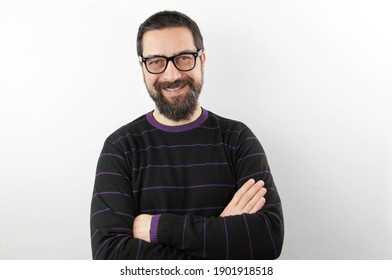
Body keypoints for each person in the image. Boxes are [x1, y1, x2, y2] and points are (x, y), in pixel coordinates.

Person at [90, 10, 284, 260]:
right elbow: (109, 256)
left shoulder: (238, 140)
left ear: (202, 60)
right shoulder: (120, 148)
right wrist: (220, 236)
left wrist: (157, 228)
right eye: (156, 61)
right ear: (143, 67)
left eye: (183, 58)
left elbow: (267, 239)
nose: (171, 75)